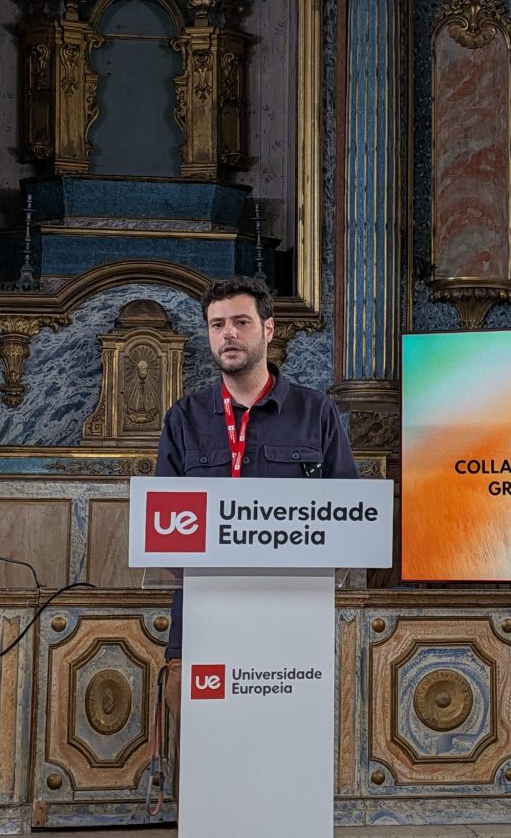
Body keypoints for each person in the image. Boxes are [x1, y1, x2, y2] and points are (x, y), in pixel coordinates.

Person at [154, 275, 358, 725]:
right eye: (216, 324)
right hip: (203, 617)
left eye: (241, 322)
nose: (227, 333)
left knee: (287, 743)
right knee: (199, 749)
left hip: (293, 619)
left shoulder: (316, 412)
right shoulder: (184, 418)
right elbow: (161, 530)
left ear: (269, 328)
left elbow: (348, 519)